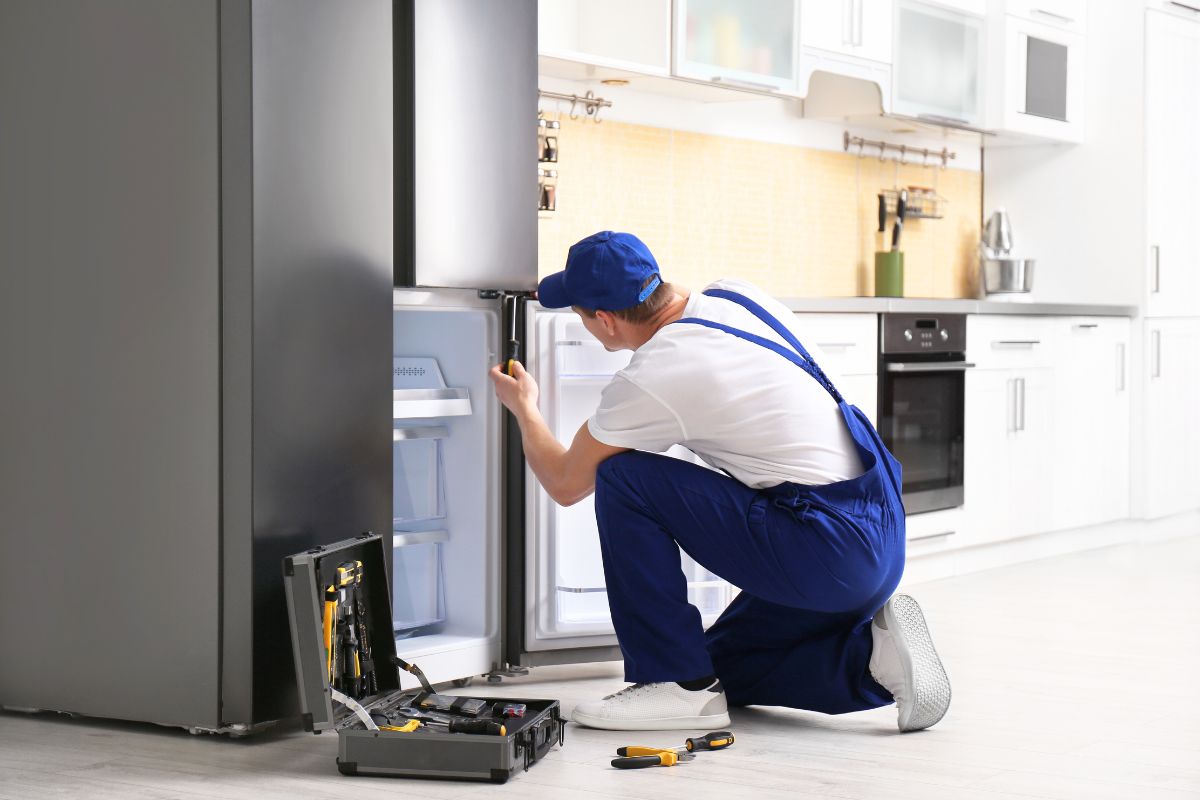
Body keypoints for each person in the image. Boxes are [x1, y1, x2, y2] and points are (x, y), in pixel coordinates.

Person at [489, 231, 951, 733]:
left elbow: (564, 482)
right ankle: (874, 663)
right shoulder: (737, 295)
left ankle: (672, 682)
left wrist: (525, 408)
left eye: (582, 315)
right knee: (719, 670)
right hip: (878, 531)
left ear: (605, 320)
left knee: (623, 477)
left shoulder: (657, 372)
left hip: (825, 549)